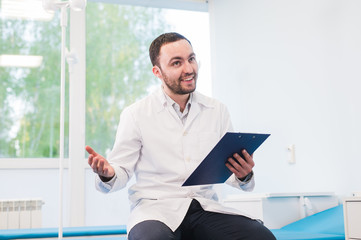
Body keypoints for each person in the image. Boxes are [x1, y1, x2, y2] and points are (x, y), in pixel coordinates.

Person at [86, 32, 276, 240]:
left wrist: (243, 174)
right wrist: (107, 173)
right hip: (156, 209)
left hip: (204, 206)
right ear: (157, 72)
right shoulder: (136, 114)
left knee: (261, 237)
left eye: (191, 59)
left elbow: (227, 172)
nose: (189, 69)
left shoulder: (217, 110)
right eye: (177, 63)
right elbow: (120, 171)